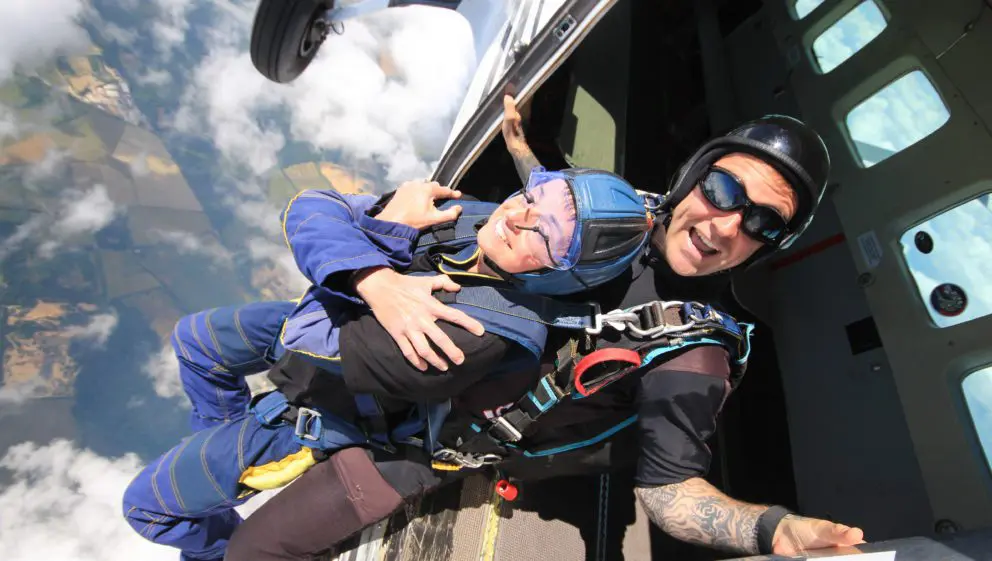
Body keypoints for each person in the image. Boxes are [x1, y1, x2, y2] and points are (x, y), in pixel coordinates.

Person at [221, 96, 866, 560]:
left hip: (421, 448)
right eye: (724, 190)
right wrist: (520, 145)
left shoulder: (694, 352)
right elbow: (555, 197)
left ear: (768, 246)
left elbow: (671, 491)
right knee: (236, 360)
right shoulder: (634, 210)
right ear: (694, 176)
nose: (726, 225)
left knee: (254, 550)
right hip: (400, 355)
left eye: (761, 223)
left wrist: (769, 530)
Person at [121, 167, 654, 561]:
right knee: (194, 339)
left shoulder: (481, 333)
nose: (518, 217)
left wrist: (382, 236)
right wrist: (374, 280)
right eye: (536, 193)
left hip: (333, 412)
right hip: (335, 333)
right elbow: (311, 204)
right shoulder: (468, 218)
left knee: (147, 508)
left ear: (563, 276)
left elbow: (310, 343)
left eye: (550, 235)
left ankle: (212, 538)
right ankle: (219, 451)